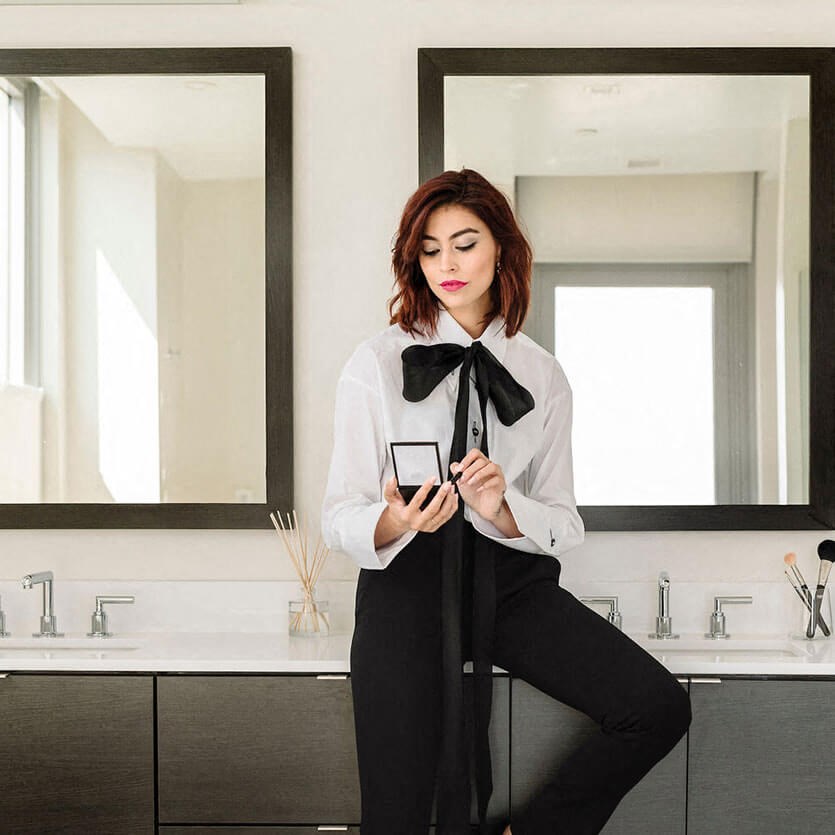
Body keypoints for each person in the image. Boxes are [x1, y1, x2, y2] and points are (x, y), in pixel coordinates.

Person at [321, 168, 692, 835]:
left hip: (513, 584)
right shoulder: (374, 363)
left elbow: (564, 520)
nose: (446, 264)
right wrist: (395, 518)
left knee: (656, 706)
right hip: (406, 586)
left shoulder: (542, 374)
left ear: (501, 249)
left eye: (464, 244)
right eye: (429, 250)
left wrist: (502, 508)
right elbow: (337, 516)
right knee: (397, 814)